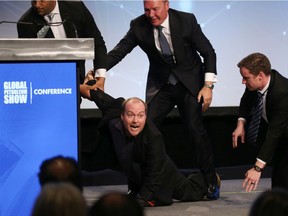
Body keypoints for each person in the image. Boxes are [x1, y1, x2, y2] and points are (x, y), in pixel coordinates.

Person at [96, 0, 219, 200]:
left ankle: (211, 181)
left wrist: (208, 86)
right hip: (162, 85)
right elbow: (120, 51)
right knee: (142, 128)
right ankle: (136, 185)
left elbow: (208, 52)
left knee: (196, 130)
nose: (151, 14)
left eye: (155, 9)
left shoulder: (186, 21)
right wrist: (99, 73)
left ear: (166, 5)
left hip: (190, 83)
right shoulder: (138, 25)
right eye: (147, 10)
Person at [79, 80, 210, 206]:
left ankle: (209, 179)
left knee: (192, 192)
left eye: (140, 115)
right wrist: (85, 85)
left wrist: (139, 200)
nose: (135, 120)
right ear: (122, 115)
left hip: (162, 175)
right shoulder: (114, 117)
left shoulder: (153, 137)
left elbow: (155, 174)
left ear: (145, 117)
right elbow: (100, 97)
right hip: (138, 169)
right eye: (130, 115)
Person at [232, 52, 288, 192]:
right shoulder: (254, 84)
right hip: (282, 138)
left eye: (246, 78)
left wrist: (257, 168)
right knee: (279, 184)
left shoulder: (282, 92)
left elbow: (274, 132)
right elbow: (245, 101)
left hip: (282, 133)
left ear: (260, 75)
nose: (243, 82)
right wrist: (241, 124)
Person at [17, 0, 107, 85]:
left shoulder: (77, 8)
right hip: (48, 84)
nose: (37, 5)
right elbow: (32, 67)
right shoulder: (25, 23)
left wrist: (100, 77)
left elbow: (97, 43)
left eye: (41, 0)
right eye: (33, 1)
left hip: (77, 76)